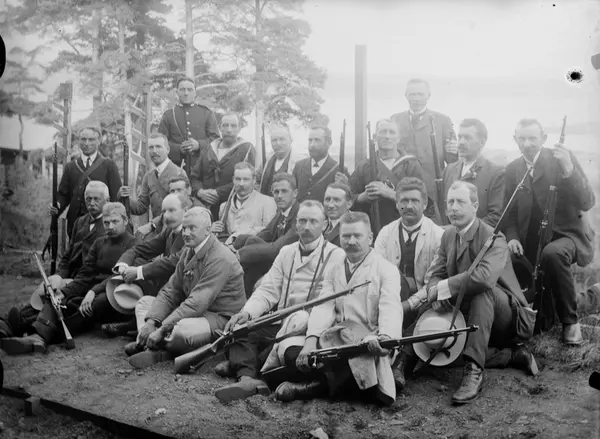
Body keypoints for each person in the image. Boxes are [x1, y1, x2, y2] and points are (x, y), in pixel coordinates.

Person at [213, 200, 345, 403]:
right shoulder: (287, 252)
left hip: (311, 328)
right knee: (241, 330)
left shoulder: (336, 255)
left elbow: (329, 306)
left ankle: (244, 365)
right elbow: (268, 289)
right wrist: (247, 313)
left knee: (294, 356)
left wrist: (312, 332)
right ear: (296, 224)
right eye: (302, 221)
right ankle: (247, 378)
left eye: (313, 221)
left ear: (325, 225)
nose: (306, 227)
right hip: (282, 322)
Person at [426, 181, 537, 405]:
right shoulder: (448, 235)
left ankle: (474, 370)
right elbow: (435, 273)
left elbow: (484, 278)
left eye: (460, 202)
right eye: (450, 202)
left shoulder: (494, 238)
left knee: (482, 293)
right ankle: (509, 356)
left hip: (508, 319)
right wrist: (435, 292)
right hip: (473, 319)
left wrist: (443, 288)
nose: (454, 208)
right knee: (437, 353)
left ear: (475, 206)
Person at [277, 212, 403, 405]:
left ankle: (312, 387)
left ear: (370, 237)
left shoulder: (386, 269)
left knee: (357, 364)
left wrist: (385, 340)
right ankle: (329, 383)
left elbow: (391, 309)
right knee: (292, 352)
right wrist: (311, 342)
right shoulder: (334, 267)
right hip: (334, 339)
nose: (351, 241)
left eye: (357, 236)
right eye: (346, 236)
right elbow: (324, 306)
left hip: (368, 342)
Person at [0, 203, 139, 354]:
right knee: (59, 298)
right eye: (106, 223)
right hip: (90, 291)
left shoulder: (135, 244)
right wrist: (64, 292)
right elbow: (85, 275)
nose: (110, 226)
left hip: (115, 295)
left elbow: (119, 275)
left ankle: (36, 333)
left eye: (115, 221)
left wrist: (93, 291)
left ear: (125, 221)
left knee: (92, 305)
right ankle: (17, 325)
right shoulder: (99, 243)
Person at [503, 119, 596, 344]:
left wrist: (569, 170)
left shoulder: (562, 159)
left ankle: (571, 323)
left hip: (568, 236)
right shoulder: (513, 168)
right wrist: (512, 238)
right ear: (515, 139)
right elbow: (509, 213)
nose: (527, 144)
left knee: (553, 253)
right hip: (532, 245)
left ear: (544, 139)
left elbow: (587, 202)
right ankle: (595, 296)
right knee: (545, 318)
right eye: (522, 138)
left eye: (533, 138)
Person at [124, 207, 246, 369]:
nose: (186, 233)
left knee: (182, 330)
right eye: (184, 228)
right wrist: (152, 321)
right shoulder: (189, 250)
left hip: (219, 318)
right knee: (144, 303)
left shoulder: (221, 257)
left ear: (208, 230)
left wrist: (163, 327)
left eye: (192, 228)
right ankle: (154, 342)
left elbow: (197, 303)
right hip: (195, 312)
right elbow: (171, 290)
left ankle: (157, 347)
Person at [0, 181, 109, 340]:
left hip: (90, 282)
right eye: (88, 199)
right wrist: (58, 276)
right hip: (71, 277)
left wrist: (71, 284)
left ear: (107, 200)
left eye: (96, 199)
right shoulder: (80, 222)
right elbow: (67, 256)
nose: (91, 203)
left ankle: (25, 326)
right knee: (47, 292)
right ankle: (12, 324)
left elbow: (103, 268)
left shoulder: (111, 225)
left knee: (61, 303)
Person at [102, 194, 191, 337]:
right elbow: (140, 249)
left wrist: (138, 272)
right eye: (163, 211)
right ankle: (136, 325)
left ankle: (139, 329)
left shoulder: (190, 233)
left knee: (143, 270)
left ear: (185, 211)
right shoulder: (169, 231)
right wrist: (123, 265)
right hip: (168, 285)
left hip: (185, 290)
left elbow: (174, 262)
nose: (166, 216)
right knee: (137, 261)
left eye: (172, 210)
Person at [374, 177, 444, 329]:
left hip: (424, 305)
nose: (409, 206)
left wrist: (407, 305)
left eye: (415, 201)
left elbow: (432, 282)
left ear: (424, 204)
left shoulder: (438, 236)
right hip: (389, 302)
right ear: (397, 203)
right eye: (404, 201)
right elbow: (377, 274)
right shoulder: (385, 233)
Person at [390, 78, 458, 220]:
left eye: (420, 94)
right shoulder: (395, 119)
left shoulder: (443, 121)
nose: (416, 98)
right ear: (406, 95)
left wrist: (455, 150)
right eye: (412, 94)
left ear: (429, 95)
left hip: (432, 193)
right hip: (401, 190)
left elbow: (452, 161)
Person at [231, 173, 301, 297]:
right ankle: (239, 295)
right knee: (247, 240)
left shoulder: (300, 215)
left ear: (295, 193)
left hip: (292, 267)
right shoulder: (282, 211)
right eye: (276, 192)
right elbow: (266, 233)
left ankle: (240, 297)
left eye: (284, 191)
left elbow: (276, 249)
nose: (279, 196)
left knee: (249, 262)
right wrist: (234, 247)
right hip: (277, 261)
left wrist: (238, 255)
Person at [350, 118, 425, 229]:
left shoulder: (411, 165)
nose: (387, 136)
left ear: (398, 138)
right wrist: (362, 197)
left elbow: (421, 200)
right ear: (375, 137)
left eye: (392, 132)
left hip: (404, 227)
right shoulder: (364, 166)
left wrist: (388, 192)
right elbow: (348, 197)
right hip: (372, 229)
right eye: (383, 132)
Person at [49, 126, 121, 237]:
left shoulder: (109, 166)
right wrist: (57, 205)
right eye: (83, 139)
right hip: (75, 225)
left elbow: (116, 198)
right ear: (79, 141)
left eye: (91, 139)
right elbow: (63, 195)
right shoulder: (71, 167)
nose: (87, 143)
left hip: (101, 226)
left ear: (99, 141)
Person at [191, 113, 256, 220]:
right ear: (220, 127)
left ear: (239, 128)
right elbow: (194, 177)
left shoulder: (246, 149)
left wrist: (218, 193)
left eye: (233, 126)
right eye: (225, 125)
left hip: (233, 208)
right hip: (204, 208)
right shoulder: (209, 148)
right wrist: (200, 191)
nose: (229, 130)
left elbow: (248, 180)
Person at [442, 119, 504, 227]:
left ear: (482, 142)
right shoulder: (449, 170)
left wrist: (460, 231)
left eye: (467, 138)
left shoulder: (496, 173)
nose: (461, 142)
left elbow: (495, 217)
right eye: (460, 137)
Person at [118, 133, 188, 220]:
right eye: (151, 147)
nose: (154, 151)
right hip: (157, 226)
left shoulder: (179, 173)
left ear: (168, 150)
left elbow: (184, 206)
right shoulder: (149, 176)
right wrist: (123, 196)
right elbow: (140, 207)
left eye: (158, 147)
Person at [157, 76, 220, 168]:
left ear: (195, 92)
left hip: (202, 168)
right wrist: (178, 149)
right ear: (177, 92)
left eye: (190, 90)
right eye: (182, 89)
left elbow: (216, 140)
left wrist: (199, 145)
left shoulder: (206, 113)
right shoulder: (168, 115)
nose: (186, 93)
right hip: (175, 167)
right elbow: (160, 142)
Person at [211, 162, 276, 245]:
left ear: (254, 180)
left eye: (246, 179)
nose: (241, 184)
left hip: (254, 248)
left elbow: (269, 231)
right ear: (233, 180)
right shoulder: (224, 207)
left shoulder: (268, 202)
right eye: (238, 179)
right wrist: (212, 230)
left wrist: (239, 234)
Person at [292, 125, 347, 203]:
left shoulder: (339, 169)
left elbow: (347, 200)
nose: (312, 145)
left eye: (317, 140)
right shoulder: (299, 166)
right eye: (310, 140)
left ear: (329, 142)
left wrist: (345, 186)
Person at [257, 125, 299, 195]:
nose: (278, 143)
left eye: (282, 139)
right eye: (274, 140)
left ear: (291, 140)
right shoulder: (267, 160)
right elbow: (256, 180)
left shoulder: (299, 162)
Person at [322, 182, 353, 247]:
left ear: (349, 204)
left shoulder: (356, 225)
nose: (330, 205)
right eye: (327, 199)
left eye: (336, 200)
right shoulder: (318, 221)